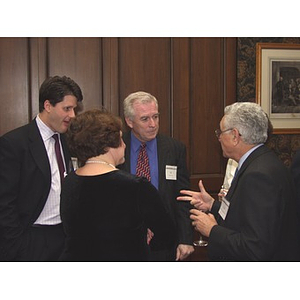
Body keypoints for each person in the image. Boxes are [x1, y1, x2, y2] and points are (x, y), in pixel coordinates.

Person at [178, 102, 300, 261]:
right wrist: (212, 205)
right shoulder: (262, 161)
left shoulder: (258, 175)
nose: (219, 138)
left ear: (235, 136)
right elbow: (246, 215)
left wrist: (212, 230)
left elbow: (256, 247)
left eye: (220, 132)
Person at [59, 109, 176, 261]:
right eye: (120, 139)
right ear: (107, 145)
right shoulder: (135, 186)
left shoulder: (70, 181)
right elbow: (167, 234)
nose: (125, 145)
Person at [0, 75, 83, 261]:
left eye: (74, 109)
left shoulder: (69, 140)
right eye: (67, 109)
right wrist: (17, 245)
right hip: (31, 241)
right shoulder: (14, 143)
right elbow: (5, 203)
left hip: (65, 238)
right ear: (48, 106)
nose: (72, 116)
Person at [119, 91, 194, 261]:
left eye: (156, 117)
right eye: (145, 119)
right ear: (129, 121)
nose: (153, 124)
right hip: (124, 239)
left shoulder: (174, 149)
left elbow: (182, 196)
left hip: (165, 241)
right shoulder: (115, 147)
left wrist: (185, 239)